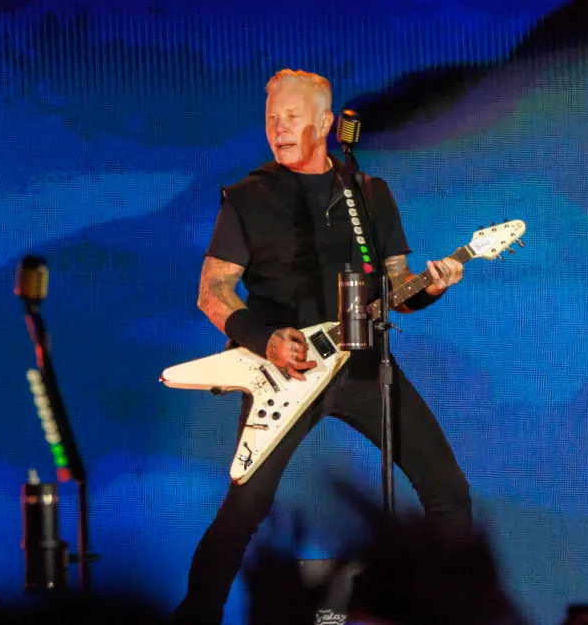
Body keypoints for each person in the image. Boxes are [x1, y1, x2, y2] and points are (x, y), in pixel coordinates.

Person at [169, 69, 473, 624]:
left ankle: (449, 613)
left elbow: (397, 292)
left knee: (449, 493)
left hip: (364, 367)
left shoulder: (368, 193)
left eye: (291, 118)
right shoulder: (247, 198)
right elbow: (212, 294)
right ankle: (196, 616)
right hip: (285, 372)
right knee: (244, 509)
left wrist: (430, 287)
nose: (278, 129)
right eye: (270, 119)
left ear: (325, 123)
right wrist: (267, 341)